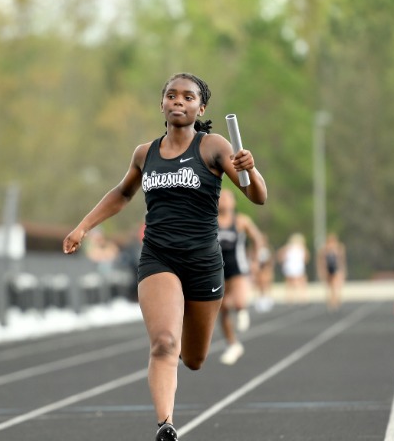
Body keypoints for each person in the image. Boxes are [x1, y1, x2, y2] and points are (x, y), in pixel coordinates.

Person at [63, 72, 267, 441]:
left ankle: (183, 353)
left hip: (203, 263)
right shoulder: (145, 153)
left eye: (188, 97)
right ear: (162, 103)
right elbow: (122, 193)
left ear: (201, 108)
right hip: (159, 258)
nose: (178, 101)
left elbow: (258, 196)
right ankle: (166, 425)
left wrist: (249, 168)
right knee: (163, 344)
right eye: (172, 95)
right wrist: (83, 227)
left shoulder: (214, 146)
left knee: (194, 358)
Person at [217, 188, 263, 365]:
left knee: (239, 301)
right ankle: (232, 344)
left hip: (239, 269)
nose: (223, 200)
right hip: (218, 271)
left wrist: (255, 260)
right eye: (221, 197)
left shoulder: (241, 221)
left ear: (234, 202)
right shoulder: (210, 221)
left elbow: (257, 239)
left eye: (227, 198)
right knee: (222, 309)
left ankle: (242, 309)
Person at [316, 233, 347, 311]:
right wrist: (321, 271)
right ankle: (331, 302)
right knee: (330, 287)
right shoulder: (324, 249)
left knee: (336, 286)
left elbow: (342, 261)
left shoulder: (339, 248)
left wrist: (343, 270)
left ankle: (336, 300)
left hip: (337, 269)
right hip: (328, 270)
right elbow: (321, 261)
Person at [277, 233, 310, 304]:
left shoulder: (291, 248)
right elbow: (306, 258)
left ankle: (291, 298)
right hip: (295, 267)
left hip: (292, 267)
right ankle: (300, 298)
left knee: (291, 283)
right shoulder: (295, 248)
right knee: (298, 283)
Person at [254, 233, 275, 313]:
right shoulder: (256, 250)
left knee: (267, 283)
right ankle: (261, 299)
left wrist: (268, 267)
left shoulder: (267, 249)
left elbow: (270, 260)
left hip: (266, 269)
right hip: (259, 270)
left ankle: (268, 299)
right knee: (260, 284)